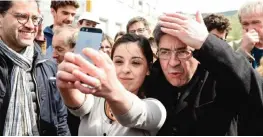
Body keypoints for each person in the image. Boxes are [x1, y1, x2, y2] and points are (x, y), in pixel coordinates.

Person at [145, 11, 263, 135]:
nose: (173, 62)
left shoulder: (219, 80)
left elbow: (256, 93)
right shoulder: (150, 82)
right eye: (165, 52)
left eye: (182, 52)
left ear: (198, 51)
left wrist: (207, 42)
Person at [56, 34, 167, 136]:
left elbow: (133, 114)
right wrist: (67, 86)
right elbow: (80, 107)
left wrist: (112, 91)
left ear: (148, 68)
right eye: (118, 61)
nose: (125, 69)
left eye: (136, 63)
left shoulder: (155, 108)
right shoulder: (95, 95)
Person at [0, 0, 70, 135]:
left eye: (35, 18)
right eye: (21, 17)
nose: (31, 26)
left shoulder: (48, 66)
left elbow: (60, 122)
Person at [237, 0, 263, 68]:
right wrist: (243, 51)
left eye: (255, 22)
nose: (250, 29)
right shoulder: (232, 48)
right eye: (245, 24)